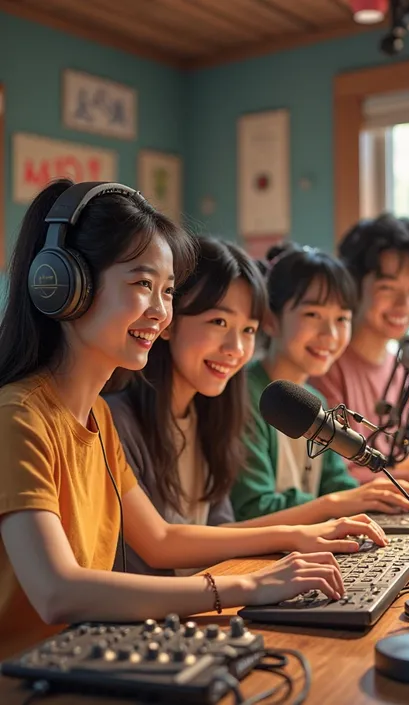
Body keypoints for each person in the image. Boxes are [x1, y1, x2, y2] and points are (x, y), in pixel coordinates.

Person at [0, 182, 348, 660]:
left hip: (83, 658)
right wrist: (242, 587)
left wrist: (291, 539)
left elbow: (160, 539)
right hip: (30, 676)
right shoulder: (19, 417)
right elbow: (57, 591)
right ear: (62, 284)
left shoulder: (95, 414)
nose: (161, 313)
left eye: (167, 291)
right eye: (143, 285)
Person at [105, 236, 387, 577]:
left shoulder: (211, 414)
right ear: (169, 320)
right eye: (219, 322)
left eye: (247, 329)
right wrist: (302, 530)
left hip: (201, 597)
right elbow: (162, 546)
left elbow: (222, 530)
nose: (236, 347)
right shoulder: (116, 421)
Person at [230, 243, 409, 523]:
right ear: (271, 320)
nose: (331, 334)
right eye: (313, 315)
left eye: (342, 319)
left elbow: (338, 483)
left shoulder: (315, 400)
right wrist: (336, 504)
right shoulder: (244, 394)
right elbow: (253, 507)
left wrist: (365, 499)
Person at [315, 214, 409, 484]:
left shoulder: (405, 368)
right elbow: (338, 476)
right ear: (354, 286)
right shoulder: (324, 367)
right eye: (387, 288)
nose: (405, 304)